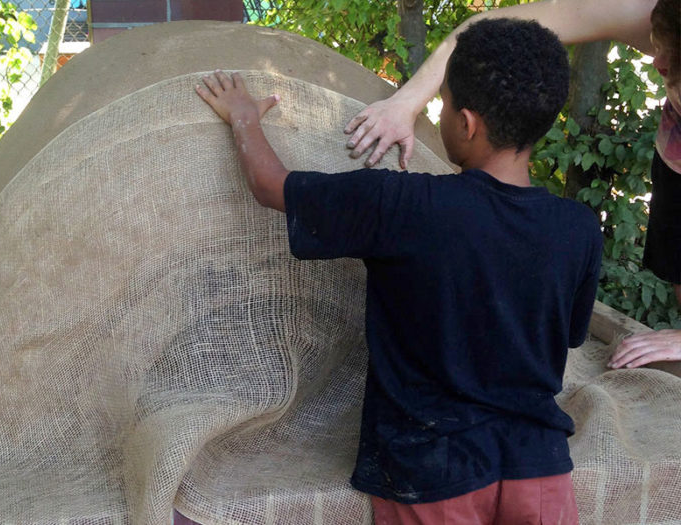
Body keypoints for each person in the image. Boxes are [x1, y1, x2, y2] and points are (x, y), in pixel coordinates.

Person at [195, 17, 601, 525]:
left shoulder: (404, 204)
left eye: (444, 103)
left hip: (432, 475)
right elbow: (566, 335)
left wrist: (244, 117)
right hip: (539, 470)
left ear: (467, 123)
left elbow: (270, 185)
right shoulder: (578, 227)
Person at [342, 0, 681, 370]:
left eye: (675, 69)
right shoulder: (653, 11)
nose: (656, 64)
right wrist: (406, 103)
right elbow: (487, 31)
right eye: (657, 42)